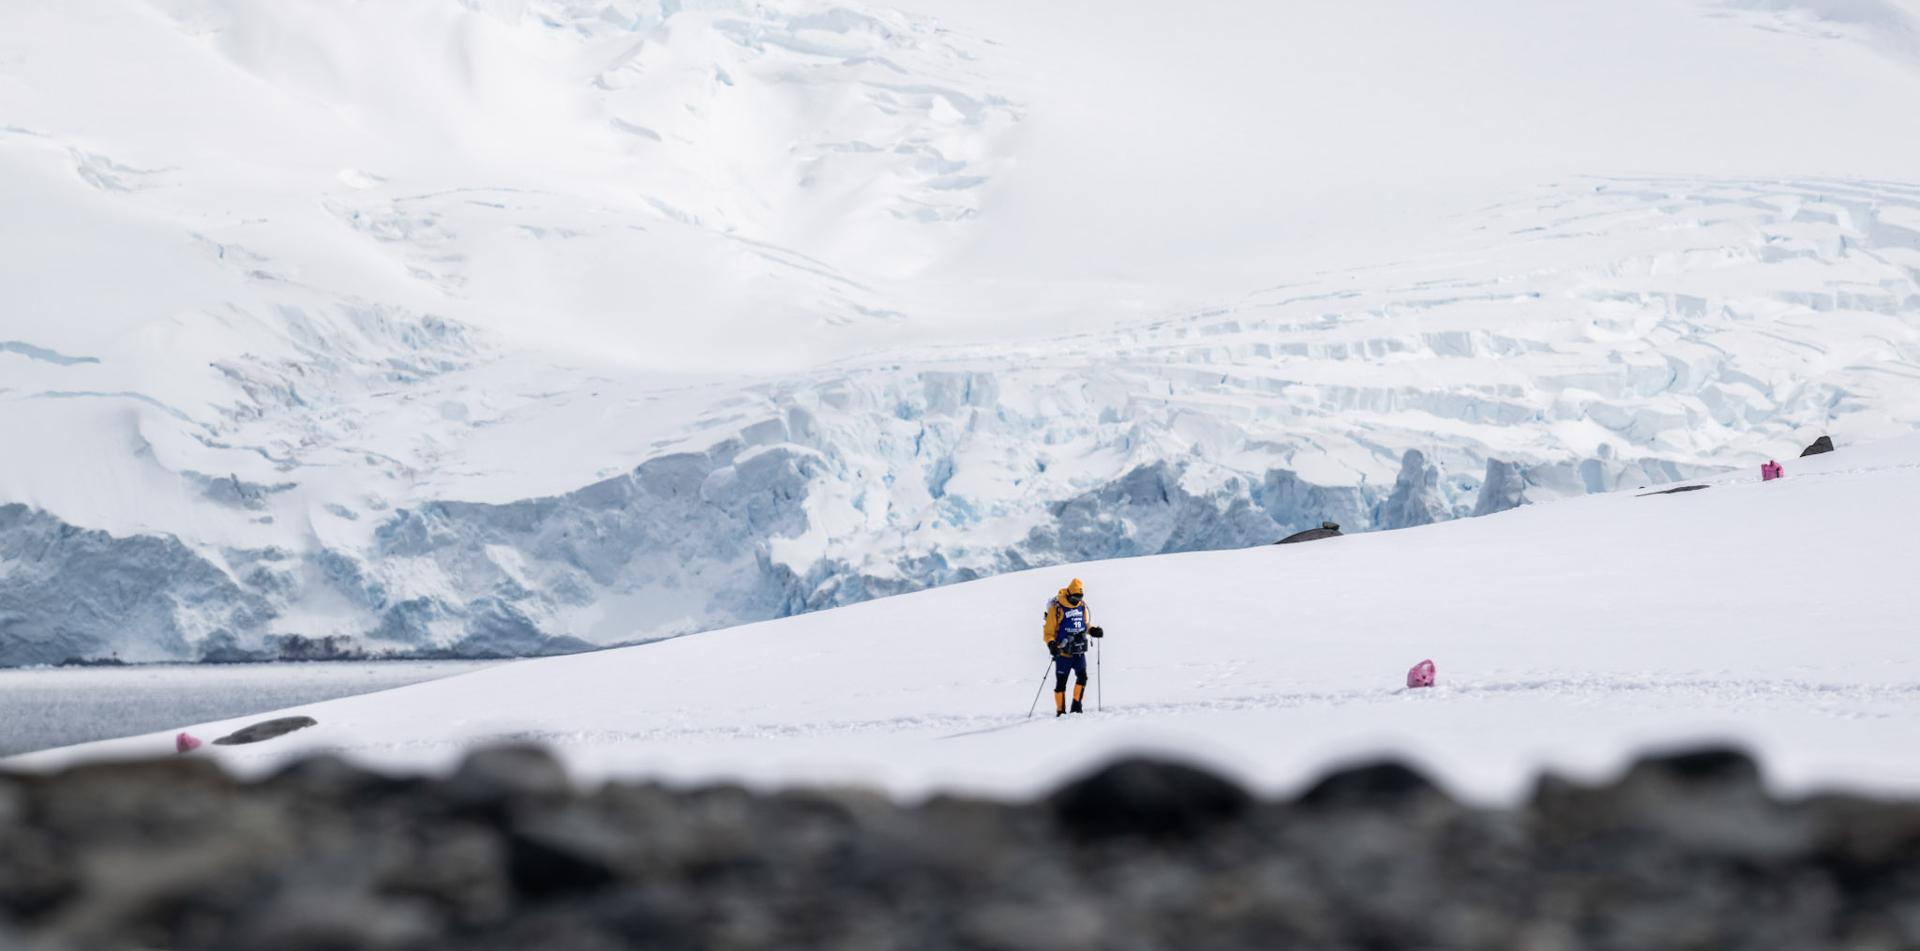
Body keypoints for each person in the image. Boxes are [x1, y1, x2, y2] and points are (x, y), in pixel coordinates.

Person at [1042, 578, 1104, 716]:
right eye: (1075, 597)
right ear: (1069, 594)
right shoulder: (1057, 608)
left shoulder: (1081, 606)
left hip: (1079, 650)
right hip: (1063, 653)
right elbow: (1048, 632)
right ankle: (1060, 711)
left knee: (1082, 677)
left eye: (1080, 597)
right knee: (1061, 683)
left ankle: (1076, 707)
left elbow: (1084, 625)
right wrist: (1052, 644)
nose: (1078, 600)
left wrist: (1093, 630)